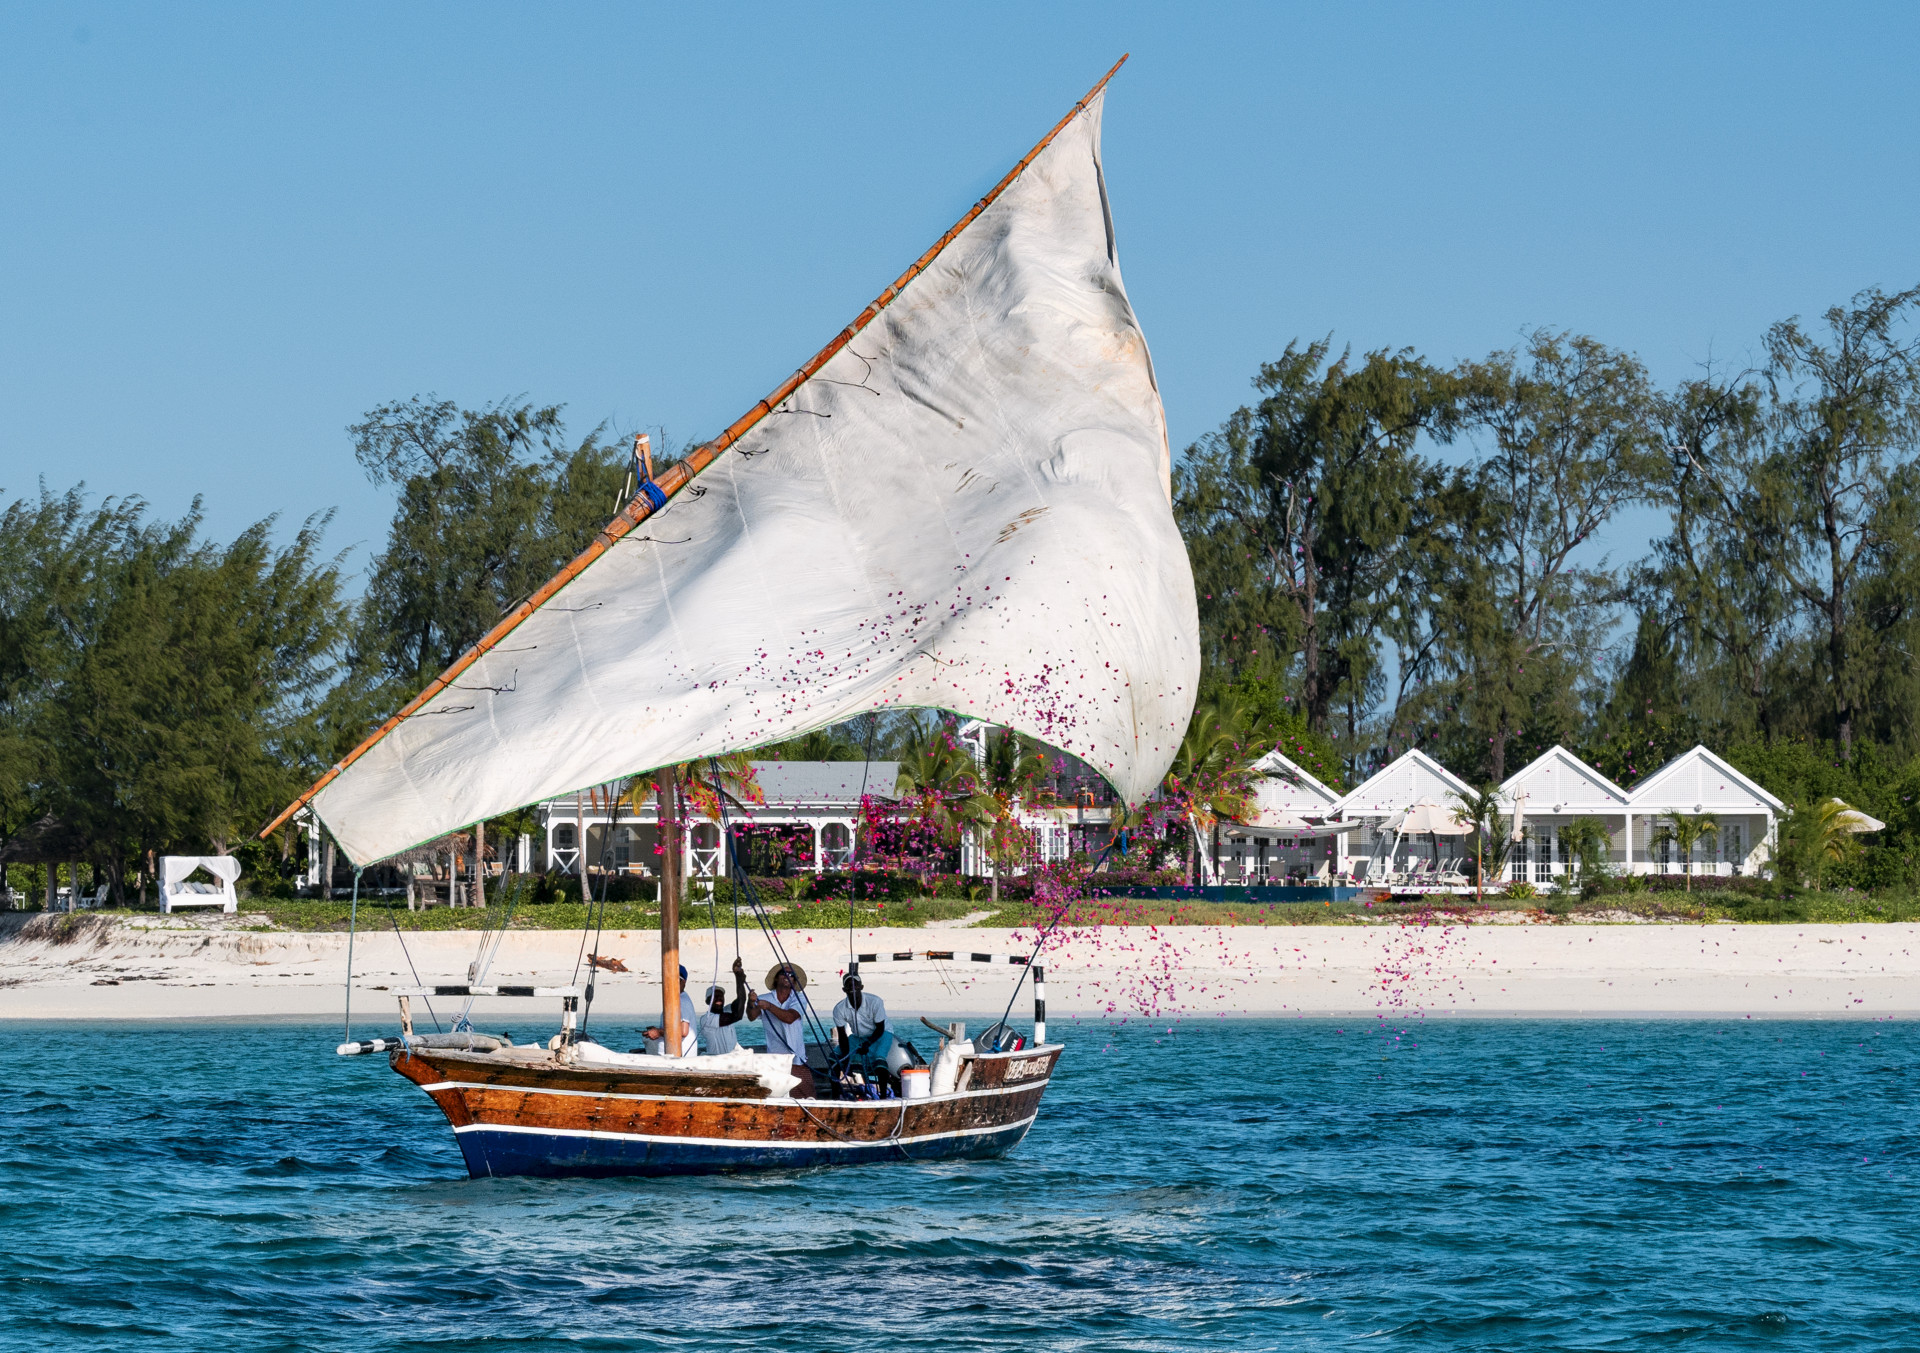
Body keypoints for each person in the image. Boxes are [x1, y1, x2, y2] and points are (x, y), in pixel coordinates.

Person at [755, 962, 815, 1098]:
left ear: (794, 981)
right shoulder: (764, 998)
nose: (788, 976)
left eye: (792, 975)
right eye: (784, 973)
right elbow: (752, 1016)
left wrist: (769, 1007)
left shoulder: (799, 997)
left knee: (808, 1097)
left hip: (797, 1059)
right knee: (777, 1098)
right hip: (775, 1060)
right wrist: (750, 1002)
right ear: (776, 978)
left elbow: (790, 1017)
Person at [831, 971, 893, 1091]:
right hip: (858, 1036)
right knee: (834, 1058)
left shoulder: (875, 1002)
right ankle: (836, 1095)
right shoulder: (839, 1009)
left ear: (861, 987)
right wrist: (846, 1056)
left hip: (882, 1033)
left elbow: (880, 1028)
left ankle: (883, 1096)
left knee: (879, 1058)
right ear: (844, 989)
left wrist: (868, 1043)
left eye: (856, 985)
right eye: (849, 986)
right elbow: (843, 1036)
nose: (852, 988)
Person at [696, 956, 754, 1055]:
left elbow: (741, 1000)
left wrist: (738, 977)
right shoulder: (706, 1019)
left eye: (721, 996)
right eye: (715, 996)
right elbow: (738, 1016)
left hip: (732, 1061)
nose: (719, 998)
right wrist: (739, 979)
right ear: (707, 1001)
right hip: (717, 1064)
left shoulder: (727, 1010)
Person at [640, 964, 697, 1056]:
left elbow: (683, 1031)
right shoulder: (676, 999)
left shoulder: (682, 1001)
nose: (672, 982)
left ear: (684, 982)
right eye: (670, 979)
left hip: (680, 1057)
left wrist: (658, 1032)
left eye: (677, 979)